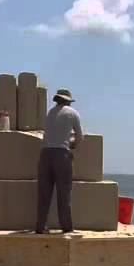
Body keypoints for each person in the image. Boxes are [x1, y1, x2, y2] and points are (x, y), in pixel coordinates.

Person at [35, 89, 83, 234]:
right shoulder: (72, 113)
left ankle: (40, 226)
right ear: (68, 101)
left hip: (45, 154)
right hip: (61, 154)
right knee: (64, 193)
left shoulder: (50, 112)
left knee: (44, 193)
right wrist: (72, 143)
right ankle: (66, 227)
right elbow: (80, 137)